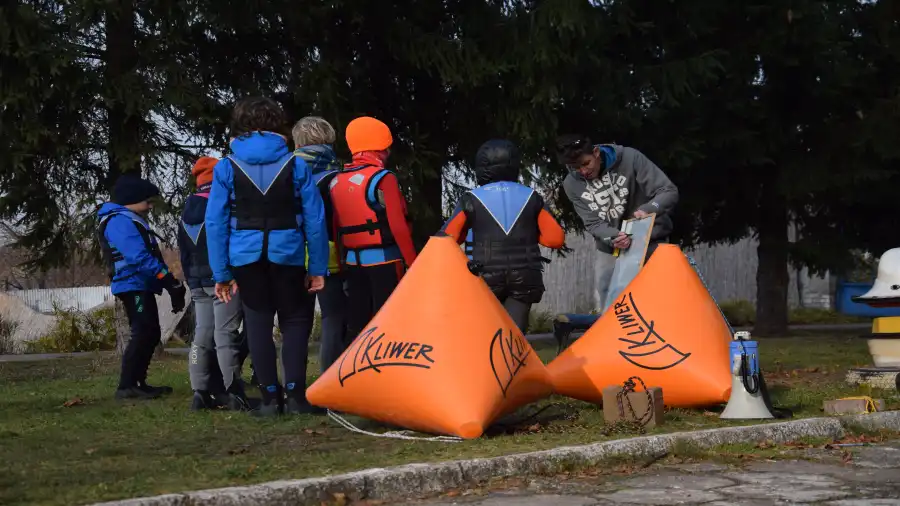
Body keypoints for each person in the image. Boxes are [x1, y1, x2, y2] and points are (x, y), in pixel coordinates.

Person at [206, 97, 330, 417]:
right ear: (278, 125)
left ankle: (269, 400)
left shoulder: (226, 166)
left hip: (246, 258)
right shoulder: (296, 164)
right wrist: (317, 267)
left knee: (258, 323)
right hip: (287, 253)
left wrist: (220, 273)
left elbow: (216, 223)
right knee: (295, 321)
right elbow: (315, 220)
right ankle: (296, 398)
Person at [440, 139, 566, 332]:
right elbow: (555, 239)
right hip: (525, 275)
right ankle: (514, 359)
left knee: (486, 334)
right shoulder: (532, 196)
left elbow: (447, 239)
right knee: (514, 337)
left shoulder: (471, 198)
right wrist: (530, 235)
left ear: (481, 166)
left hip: (484, 273)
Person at [555, 134, 679, 310]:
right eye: (575, 168)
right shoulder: (571, 184)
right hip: (611, 248)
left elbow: (668, 191)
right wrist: (613, 236)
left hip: (651, 242)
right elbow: (592, 223)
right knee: (609, 302)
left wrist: (649, 209)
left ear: (596, 152)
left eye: (585, 163)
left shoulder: (630, 158)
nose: (583, 171)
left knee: (660, 301)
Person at [97, 174, 187, 400]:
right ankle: (126, 386)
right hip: (132, 284)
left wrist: (167, 283)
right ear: (131, 199)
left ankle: (138, 382)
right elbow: (137, 256)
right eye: (147, 200)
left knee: (150, 332)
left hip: (140, 283)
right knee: (142, 332)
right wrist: (166, 279)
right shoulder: (119, 221)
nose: (149, 205)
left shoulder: (127, 218)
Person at [329, 116, 417, 340]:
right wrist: (413, 263)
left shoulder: (337, 181)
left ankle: (355, 370)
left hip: (352, 263)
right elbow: (398, 226)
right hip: (386, 261)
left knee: (357, 323)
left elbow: (335, 228)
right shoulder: (384, 178)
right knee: (388, 322)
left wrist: (340, 264)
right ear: (382, 148)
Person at [178, 156, 250, 411]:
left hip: (197, 282)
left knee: (202, 336)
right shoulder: (223, 205)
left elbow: (183, 253)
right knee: (225, 336)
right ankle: (234, 391)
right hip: (223, 280)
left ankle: (199, 392)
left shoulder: (187, 209)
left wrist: (191, 281)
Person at [292, 116, 349, 374]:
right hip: (328, 255)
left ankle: (295, 386)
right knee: (333, 319)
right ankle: (331, 381)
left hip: (290, 254)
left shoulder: (285, 173)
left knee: (296, 323)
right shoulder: (336, 177)